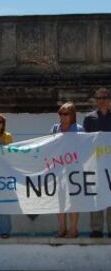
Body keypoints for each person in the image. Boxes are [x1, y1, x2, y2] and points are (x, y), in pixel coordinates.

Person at [51, 102, 84, 238]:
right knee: (59, 200)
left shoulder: (79, 129)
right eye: (60, 113)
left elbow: (84, 149)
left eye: (66, 113)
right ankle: (62, 229)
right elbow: (49, 147)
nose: (62, 116)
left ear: (72, 115)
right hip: (58, 169)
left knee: (74, 200)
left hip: (75, 169)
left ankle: (73, 229)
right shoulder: (54, 128)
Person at [83, 88, 111, 238]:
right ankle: (97, 229)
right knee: (97, 196)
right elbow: (85, 141)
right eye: (99, 97)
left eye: (105, 97)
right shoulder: (89, 118)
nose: (102, 100)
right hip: (96, 164)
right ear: (96, 100)